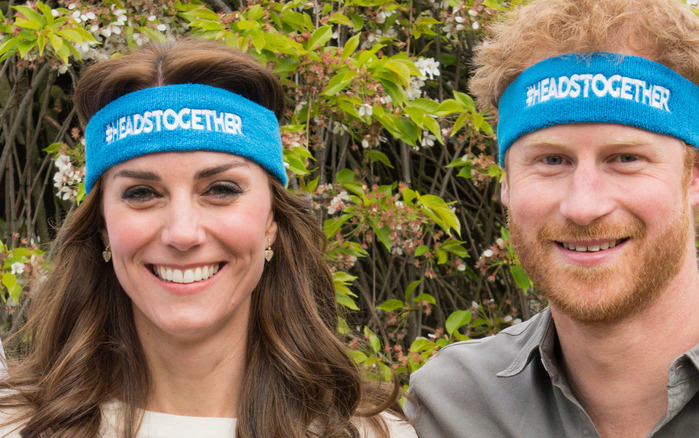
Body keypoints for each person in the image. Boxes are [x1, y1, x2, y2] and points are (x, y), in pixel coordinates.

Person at [0, 39, 416, 438]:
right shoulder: (14, 426)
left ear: (271, 219)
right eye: (142, 193)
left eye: (221, 190)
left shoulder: (371, 433)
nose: (182, 233)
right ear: (103, 227)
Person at [405, 0, 699, 437]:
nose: (583, 207)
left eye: (625, 158)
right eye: (551, 160)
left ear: (695, 176)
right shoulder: (451, 404)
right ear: (506, 182)